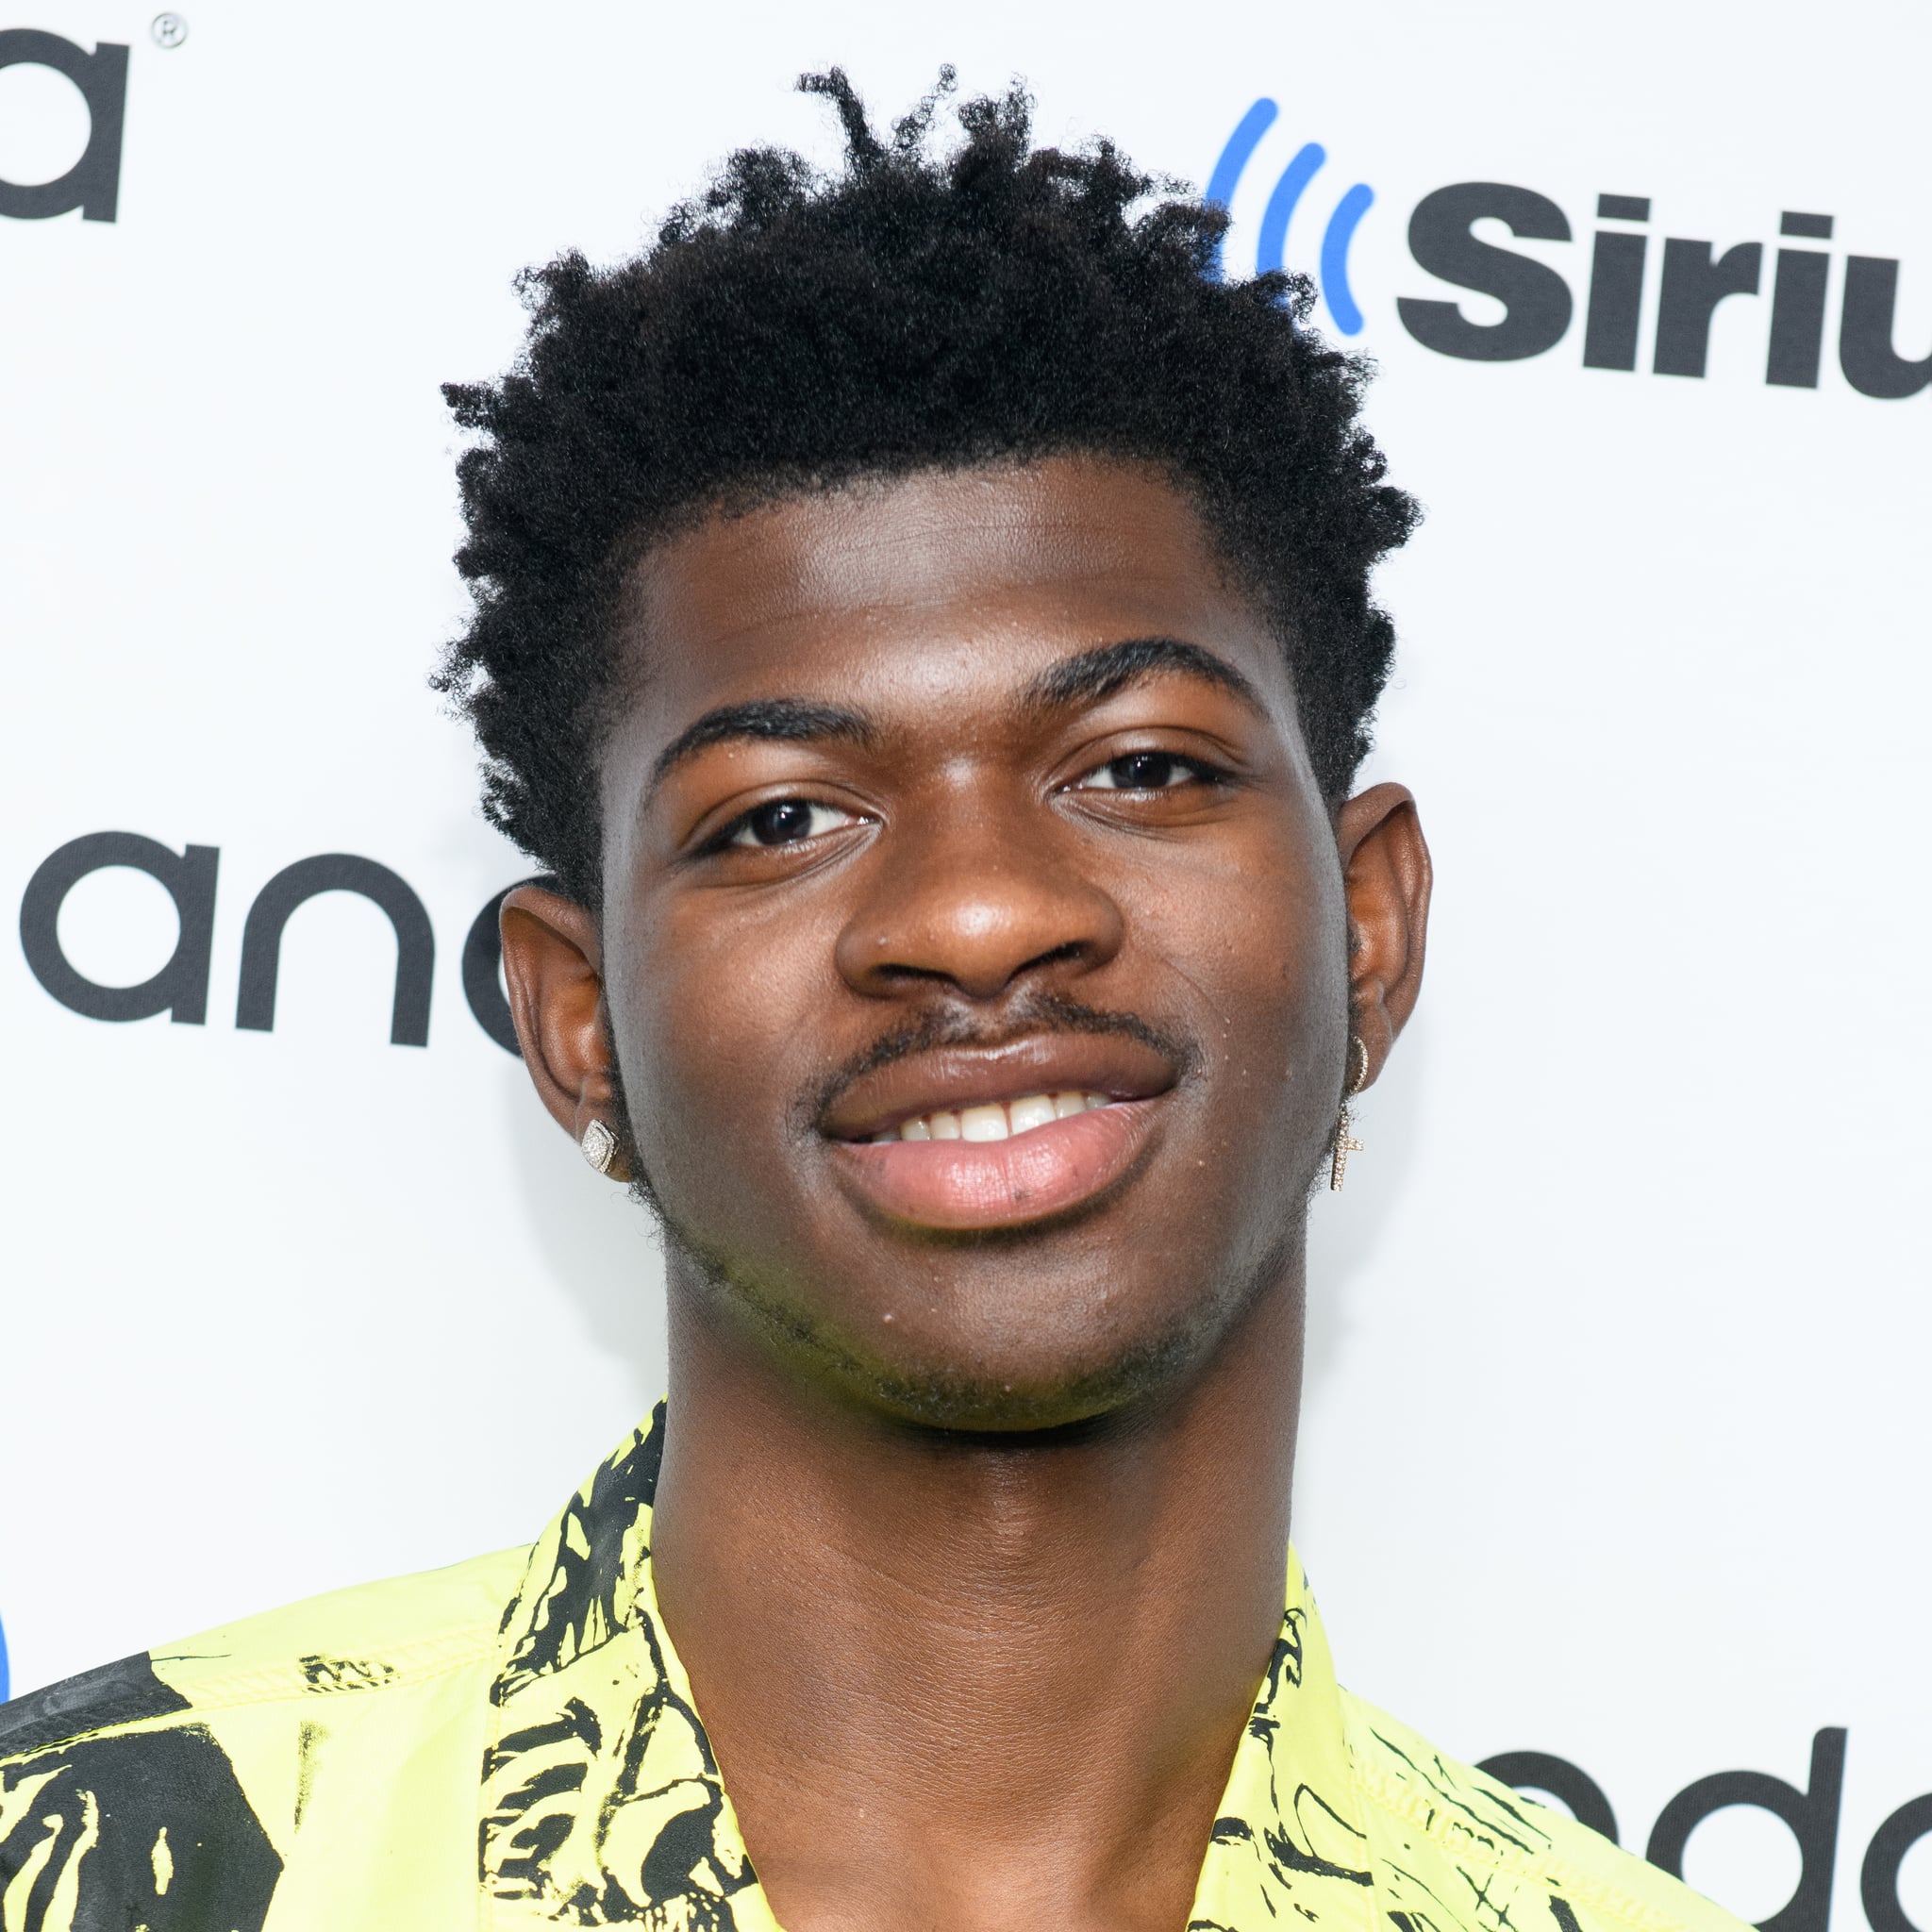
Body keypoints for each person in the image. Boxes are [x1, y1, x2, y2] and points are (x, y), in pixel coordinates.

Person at [0, 71, 1742, 1932]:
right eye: (779, 817)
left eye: (1141, 767)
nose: (979, 915)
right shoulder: (103, 1868)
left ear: (1370, 930)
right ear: (577, 1022)